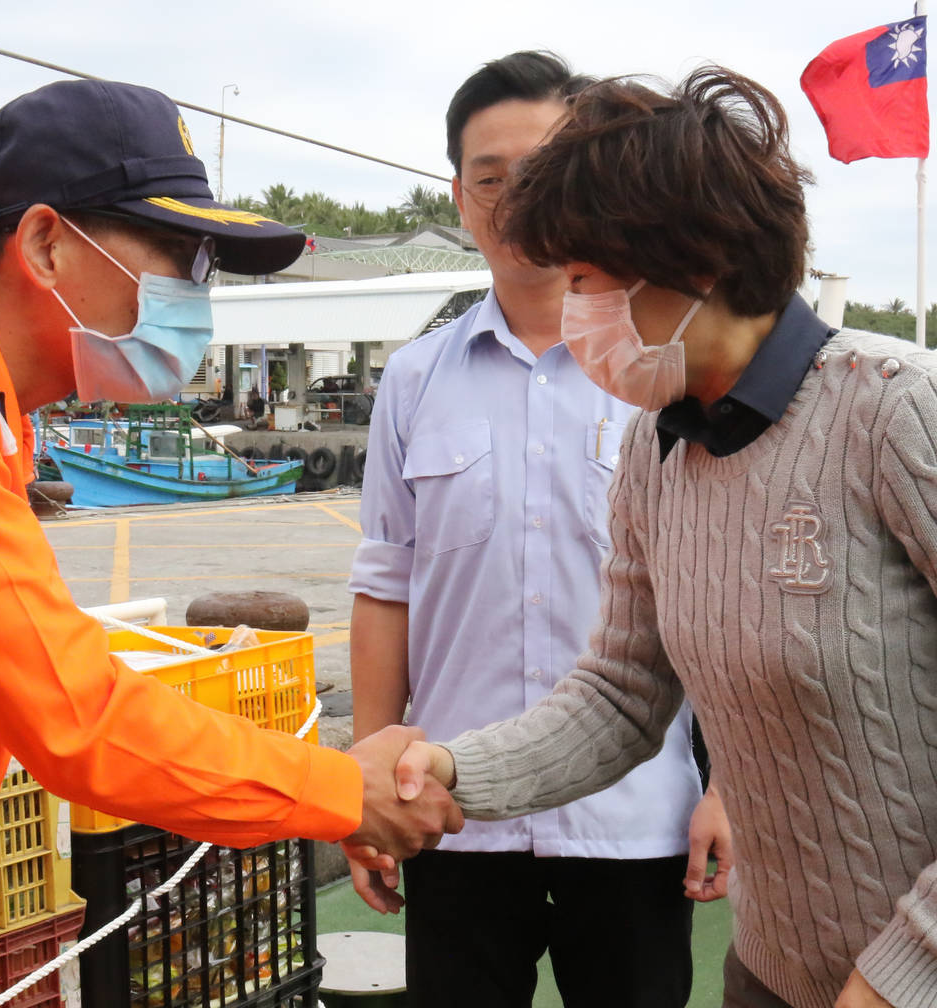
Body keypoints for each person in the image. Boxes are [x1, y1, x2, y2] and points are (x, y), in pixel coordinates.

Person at [0, 79, 460, 1007]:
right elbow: (73, 715)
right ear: (45, 243)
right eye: (178, 259)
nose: (196, 297)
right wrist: (337, 787)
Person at [394, 65, 937, 1008]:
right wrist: (450, 768)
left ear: (694, 262)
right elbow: (620, 693)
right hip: (774, 966)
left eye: (584, 280)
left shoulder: (897, 414)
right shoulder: (661, 443)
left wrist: (903, 974)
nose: (572, 315)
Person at [346, 51, 726, 1008]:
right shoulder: (414, 379)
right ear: (460, 196)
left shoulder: (661, 368)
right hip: (453, 808)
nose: (518, 203)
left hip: (634, 815)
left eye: (546, 173)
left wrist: (734, 786)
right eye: (492, 179)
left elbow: (724, 593)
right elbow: (384, 586)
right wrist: (367, 782)